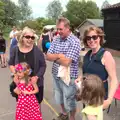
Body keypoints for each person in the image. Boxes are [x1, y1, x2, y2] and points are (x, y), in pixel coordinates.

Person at [75, 26, 118, 109]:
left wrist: (109, 100)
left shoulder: (106, 55)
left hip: (98, 95)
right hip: (86, 93)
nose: (91, 40)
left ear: (100, 38)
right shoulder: (87, 55)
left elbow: (114, 79)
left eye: (94, 37)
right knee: (86, 114)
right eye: (88, 38)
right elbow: (87, 72)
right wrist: (80, 78)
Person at [46, 17, 81, 120]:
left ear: (68, 28)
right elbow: (47, 56)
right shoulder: (56, 39)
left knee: (70, 99)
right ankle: (64, 114)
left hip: (68, 77)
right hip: (56, 74)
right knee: (59, 96)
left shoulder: (74, 41)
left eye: (60, 29)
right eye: (58, 29)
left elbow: (66, 62)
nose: (58, 31)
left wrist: (55, 57)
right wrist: (59, 55)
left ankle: (72, 118)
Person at [8, 27, 46, 104]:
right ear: (22, 37)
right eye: (27, 37)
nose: (30, 39)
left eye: (32, 37)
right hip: (20, 83)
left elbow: (43, 66)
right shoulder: (15, 49)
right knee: (22, 105)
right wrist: (15, 74)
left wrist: (37, 76)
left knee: (36, 105)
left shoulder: (37, 50)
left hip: (35, 84)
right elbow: (11, 63)